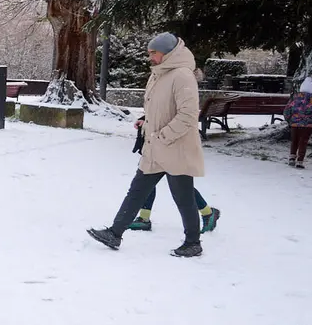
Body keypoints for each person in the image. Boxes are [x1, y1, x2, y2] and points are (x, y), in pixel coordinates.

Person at [88, 32, 206, 257]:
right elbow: (161, 107)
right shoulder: (159, 74)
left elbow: (189, 115)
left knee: (183, 197)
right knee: (137, 191)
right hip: (155, 147)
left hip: (175, 148)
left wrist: (162, 135)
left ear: (168, 52)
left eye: (154, 52)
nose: (150, 57)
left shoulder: (182, 75)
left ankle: (193, 242)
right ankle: (115, 233)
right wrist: (146, 120)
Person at [127, 118, 221, 232]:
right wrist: (146, 120)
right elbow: (158, 109)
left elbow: (180, 114)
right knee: (147, 176)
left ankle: (208, 213)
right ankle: (144, 217)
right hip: (155, 141)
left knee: (180, 184)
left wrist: (163, 134)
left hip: (173, 143)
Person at [284, 77, 312, 169]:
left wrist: (289, 120)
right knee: (303, 142)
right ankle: (300, 161)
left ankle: (292, 157)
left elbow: (287, 110)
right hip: (307, 125)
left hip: (294, 124)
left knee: (294, 140)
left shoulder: (294, 98)